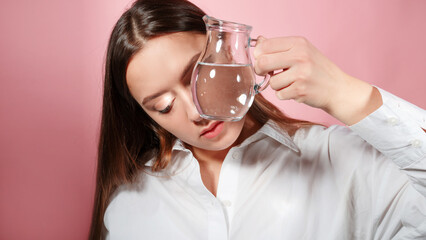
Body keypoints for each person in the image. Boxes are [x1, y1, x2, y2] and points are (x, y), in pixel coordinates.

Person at [89, 0, 426, 239]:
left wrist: (345, 93)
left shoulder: (339, 160)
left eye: (197, 77)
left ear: (229, 54)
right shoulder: (131, 201)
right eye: (163, 106)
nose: (196, 112)